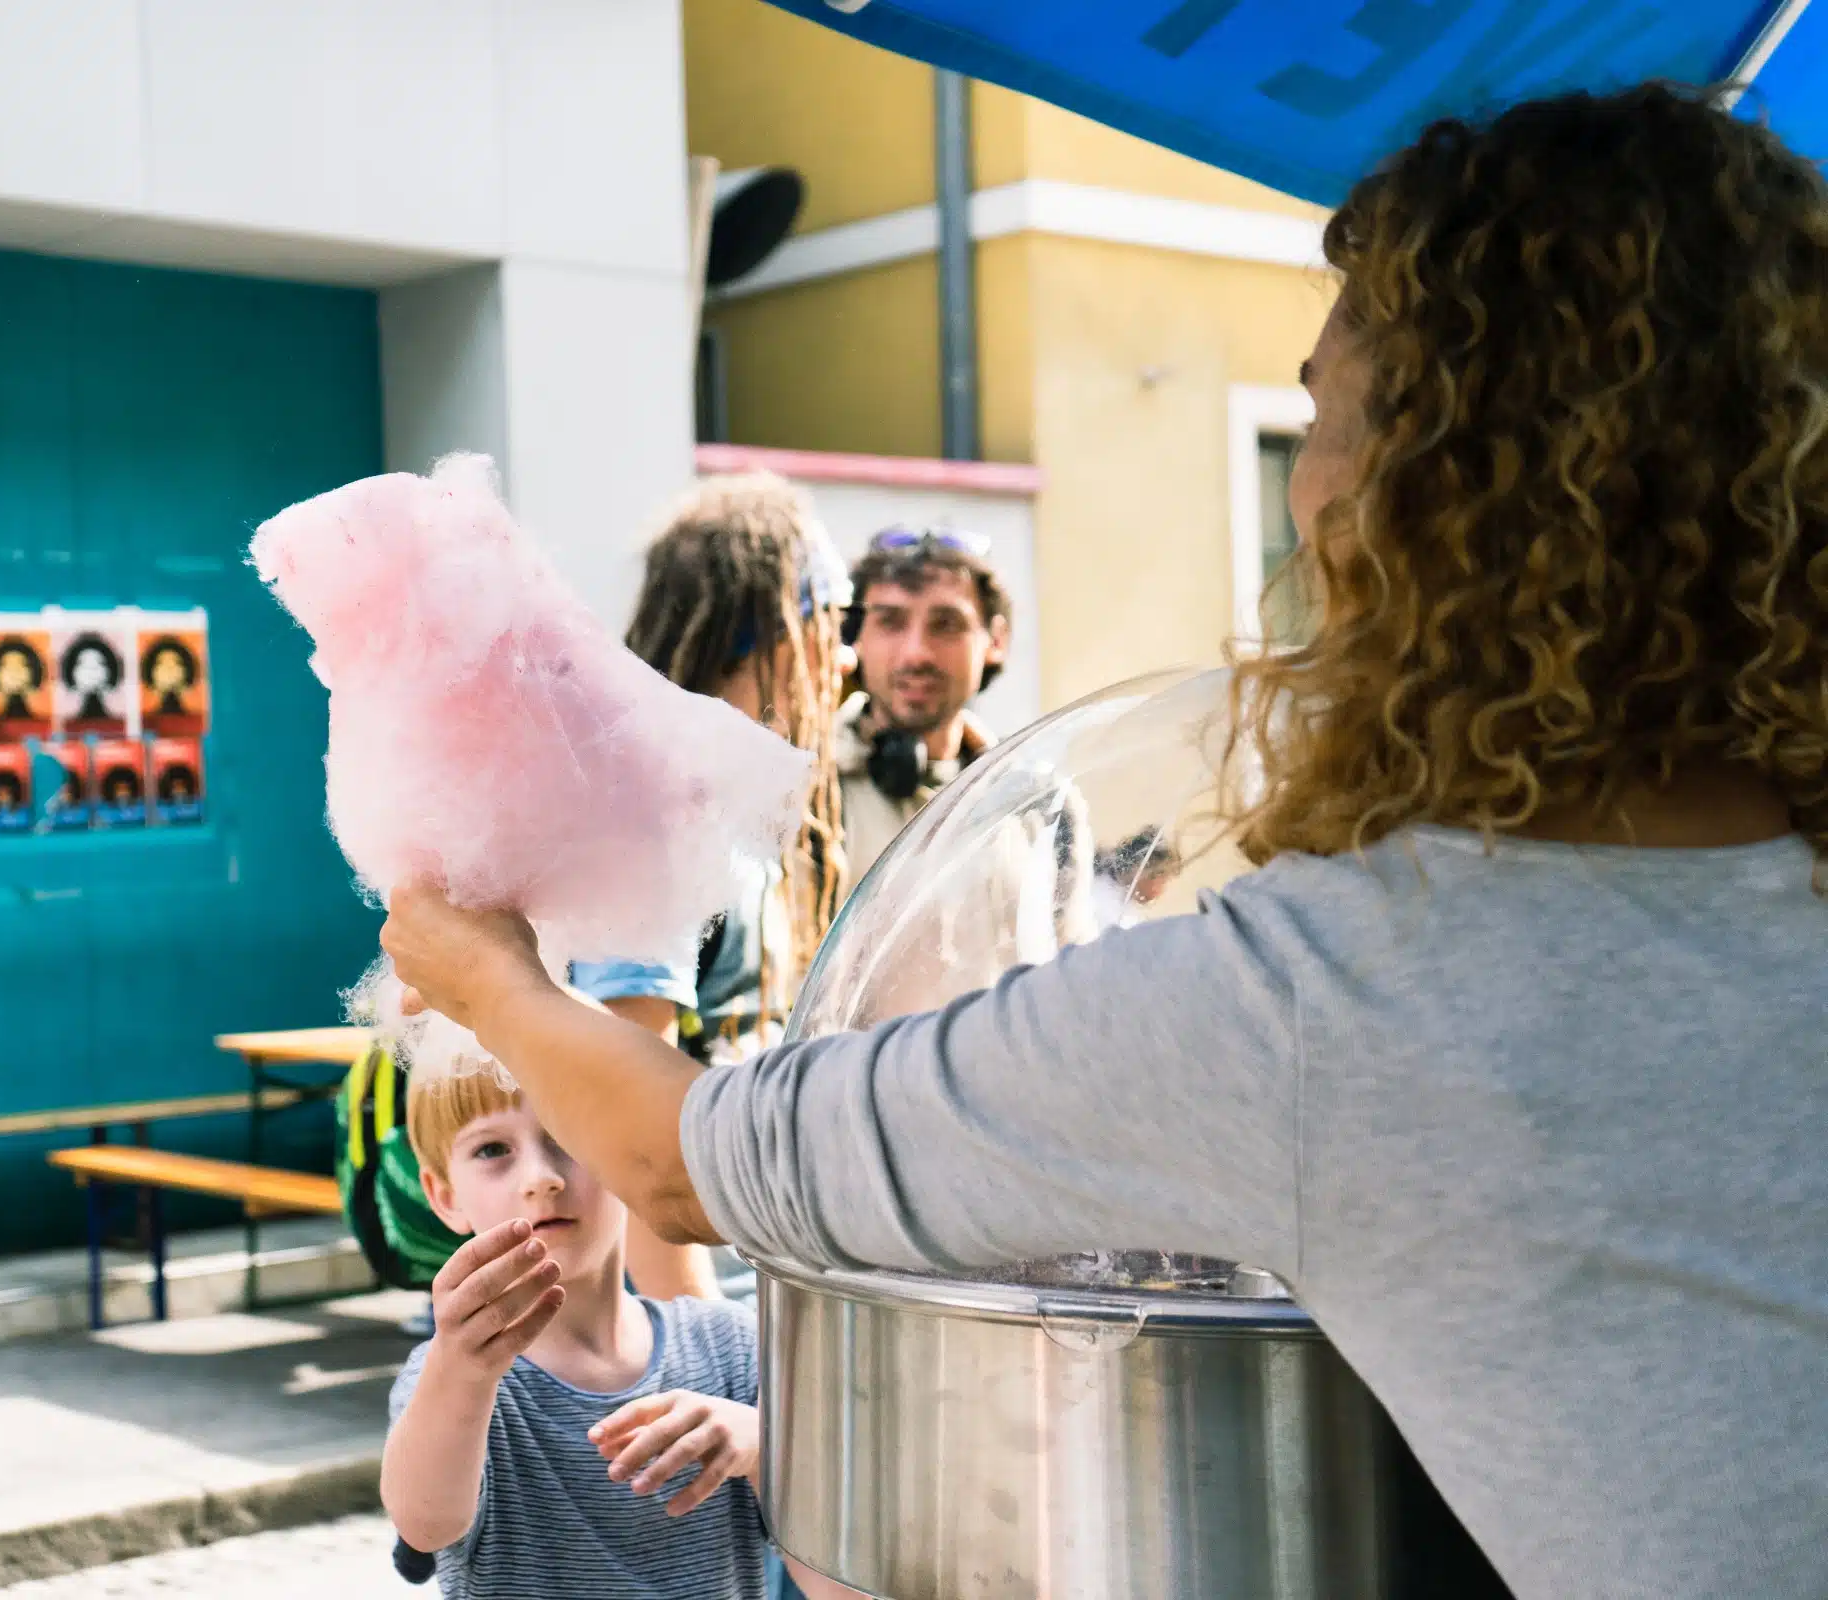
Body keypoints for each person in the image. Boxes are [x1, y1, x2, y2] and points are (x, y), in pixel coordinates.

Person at [379, 84, 1828, 1600]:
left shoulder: (1341, 1001)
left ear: (1441, 501)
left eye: (1324, 418)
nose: (1309, 488)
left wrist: (481, 976)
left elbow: (695, 1171)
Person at [381, 1063, 855, 1599]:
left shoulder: (731, 1347)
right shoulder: (447, 1378)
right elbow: (425, 1525)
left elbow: (844, 1587)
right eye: (492, 1150)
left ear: (630, 1157)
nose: (541, 1177)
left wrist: (763, 1448)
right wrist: (459, 1367)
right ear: (444, 1195)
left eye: (570, 1133)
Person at [569, 472, 851, 1302]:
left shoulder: (730, 809)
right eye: (826, 626)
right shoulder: (659, 818)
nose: (842, 656)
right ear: (761, 637)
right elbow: (632, 1113)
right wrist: (696, 1334)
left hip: (751, 1273)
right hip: (689, 1304)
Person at [837, 526, 1014, 882]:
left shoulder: (1037, 802)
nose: (916, 652)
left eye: (946, 625)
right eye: (890, 622)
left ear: (996, 641)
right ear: (854, 636)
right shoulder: (801, 789)